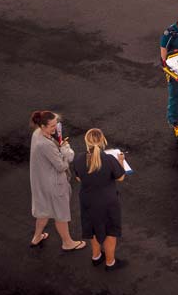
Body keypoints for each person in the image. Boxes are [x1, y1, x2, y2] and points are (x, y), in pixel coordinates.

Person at [28, 110, 84, 252]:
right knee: (61, 214)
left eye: (56, 124)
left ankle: (37, 237)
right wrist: (65, 152)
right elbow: (61, 166)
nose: (56, 128)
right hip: (54, 185)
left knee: (44, 211)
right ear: (43, 126)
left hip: (41, 182)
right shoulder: (45, 144)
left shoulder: (37, 135)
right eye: (52, 126)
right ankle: (67, 242)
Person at [72, 128, 127, 270]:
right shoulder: (109, 159)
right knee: (110, 231)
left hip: (88, 201)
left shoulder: (78, 158)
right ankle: (110, 262)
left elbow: (78, 178)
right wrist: (120, 161)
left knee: (93, 228)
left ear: (86, 142)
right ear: (103, 141)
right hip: (107, 202)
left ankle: (96, 257)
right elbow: (120, 177)